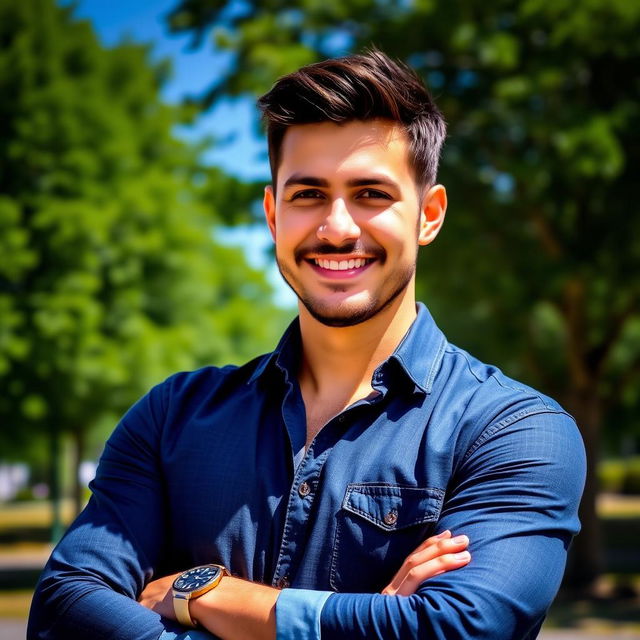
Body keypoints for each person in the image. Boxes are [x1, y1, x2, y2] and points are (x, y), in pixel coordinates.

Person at [28, 49, 585, 640]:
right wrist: (378, 620)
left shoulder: (513, 429)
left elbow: (461, 629)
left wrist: (208, 594)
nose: (337, 227)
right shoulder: (173, 417)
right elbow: (66, 606)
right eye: (308, 194)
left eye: (371, 194)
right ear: (273, 215)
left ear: (429, 214)